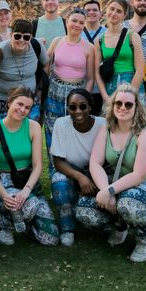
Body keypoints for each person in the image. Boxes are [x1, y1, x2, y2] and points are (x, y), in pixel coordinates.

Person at [75, 84, 146, 263]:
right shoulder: (107, 128)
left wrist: (110, 192)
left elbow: (139, 175)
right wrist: (105, 191)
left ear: (136, 107)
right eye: (118, 103)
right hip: (117, 182)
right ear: (112, 105)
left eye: (128, 105)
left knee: (128, 203)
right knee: (84, 209)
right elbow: (95, 163)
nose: (122, 108)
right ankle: (120, 225)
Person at [0, 87, 59, 246]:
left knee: (50, 239)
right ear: (9, 102)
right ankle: (2, 223)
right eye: (19, 104)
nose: (22, 110)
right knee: (29, 205)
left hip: (28, 181)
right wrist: (4, 195)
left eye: (27, 107)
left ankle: (24, 223)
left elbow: (38, 165)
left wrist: (26, 190)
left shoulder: (33, 127)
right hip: (3, 184)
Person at [50, 88, 105, 247]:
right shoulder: (61, 123)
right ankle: (67, 226)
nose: (78, 111)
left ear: (90, 107)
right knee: (58, 180)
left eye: (83, 106)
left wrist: (92, 177)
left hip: (96, 173)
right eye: (72, 107)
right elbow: (58, 161)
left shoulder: (103, 125)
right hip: (71, 172)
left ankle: (110, 222)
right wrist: (80, 177)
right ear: (67, 108)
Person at [45, 8, 95, 159]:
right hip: (54, 90)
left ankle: (73, 168)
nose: (77, 25)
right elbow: (46, 66)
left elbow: (91, 77)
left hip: (77, 93)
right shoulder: (57, 41)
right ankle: (55, 168)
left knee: (75, 128)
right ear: (67, 21)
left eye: (81, 22)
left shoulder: (89, 47)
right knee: (52, 129)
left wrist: (85, 97)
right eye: (74, 21)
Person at [0, 19, 49, 127]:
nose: (21, 40)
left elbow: (46, 64)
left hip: (28, 100)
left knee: (26, 136)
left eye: (26, 37)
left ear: (31, 37)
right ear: (11, 35)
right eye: (17, 36)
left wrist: (39, 90)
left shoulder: (36, 46)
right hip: (1, 100)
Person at [93, 0, 146, 110]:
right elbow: (97, 72)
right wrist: (105, 96)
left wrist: (129, 95)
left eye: (119, 11)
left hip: (131, 84)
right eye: (111, 9)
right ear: (106, 10)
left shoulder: (132, 36)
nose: (114, 13)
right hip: (110, 87)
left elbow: (140, 71)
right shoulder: (99, 40)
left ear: (124, 15)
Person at [81, 0, 105, 114]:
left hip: (101, 87)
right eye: (87, 10)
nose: (91, 12)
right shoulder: (76, 33)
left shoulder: (107, 33)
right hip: (80, 85)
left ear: (101, 13)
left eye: (95, 10)